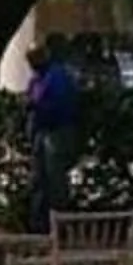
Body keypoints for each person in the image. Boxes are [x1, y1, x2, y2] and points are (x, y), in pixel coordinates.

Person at [26, 34, 82, 227]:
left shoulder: (58, 75)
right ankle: (38, 224)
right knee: (38, 181)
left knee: (55, 181)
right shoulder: (36, 79)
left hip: (57, 132)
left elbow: (63, 106)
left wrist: (38, 107)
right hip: (40, 133)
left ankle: (60, 225)